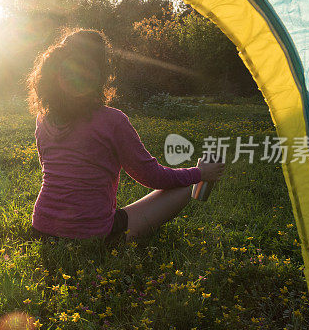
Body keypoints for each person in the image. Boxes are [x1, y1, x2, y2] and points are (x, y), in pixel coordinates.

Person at [27, 28, 225, 246]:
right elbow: (153, 177)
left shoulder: (43, 119)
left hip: (41, 228)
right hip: (90, 234)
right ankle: (111, 237)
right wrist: (199, 173)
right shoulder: (112, 120)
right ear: (100, 73)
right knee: (183, 189)